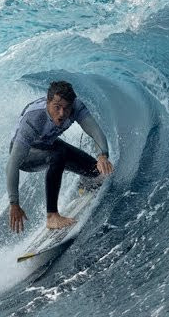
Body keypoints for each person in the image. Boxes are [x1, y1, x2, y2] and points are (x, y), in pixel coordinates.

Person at [6, 80, 114, 233]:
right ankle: (52, 217)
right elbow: (12, 164)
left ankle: (85, 184)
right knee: (58, 154)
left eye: (66, 108)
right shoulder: (33, 119)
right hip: (26, 156)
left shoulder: (76, 107)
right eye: (57, 107)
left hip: (48, 145)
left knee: (97, 172)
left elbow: (95, 131)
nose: (62, 113)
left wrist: (102, 155)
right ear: (48, 102)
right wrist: (14, 203)